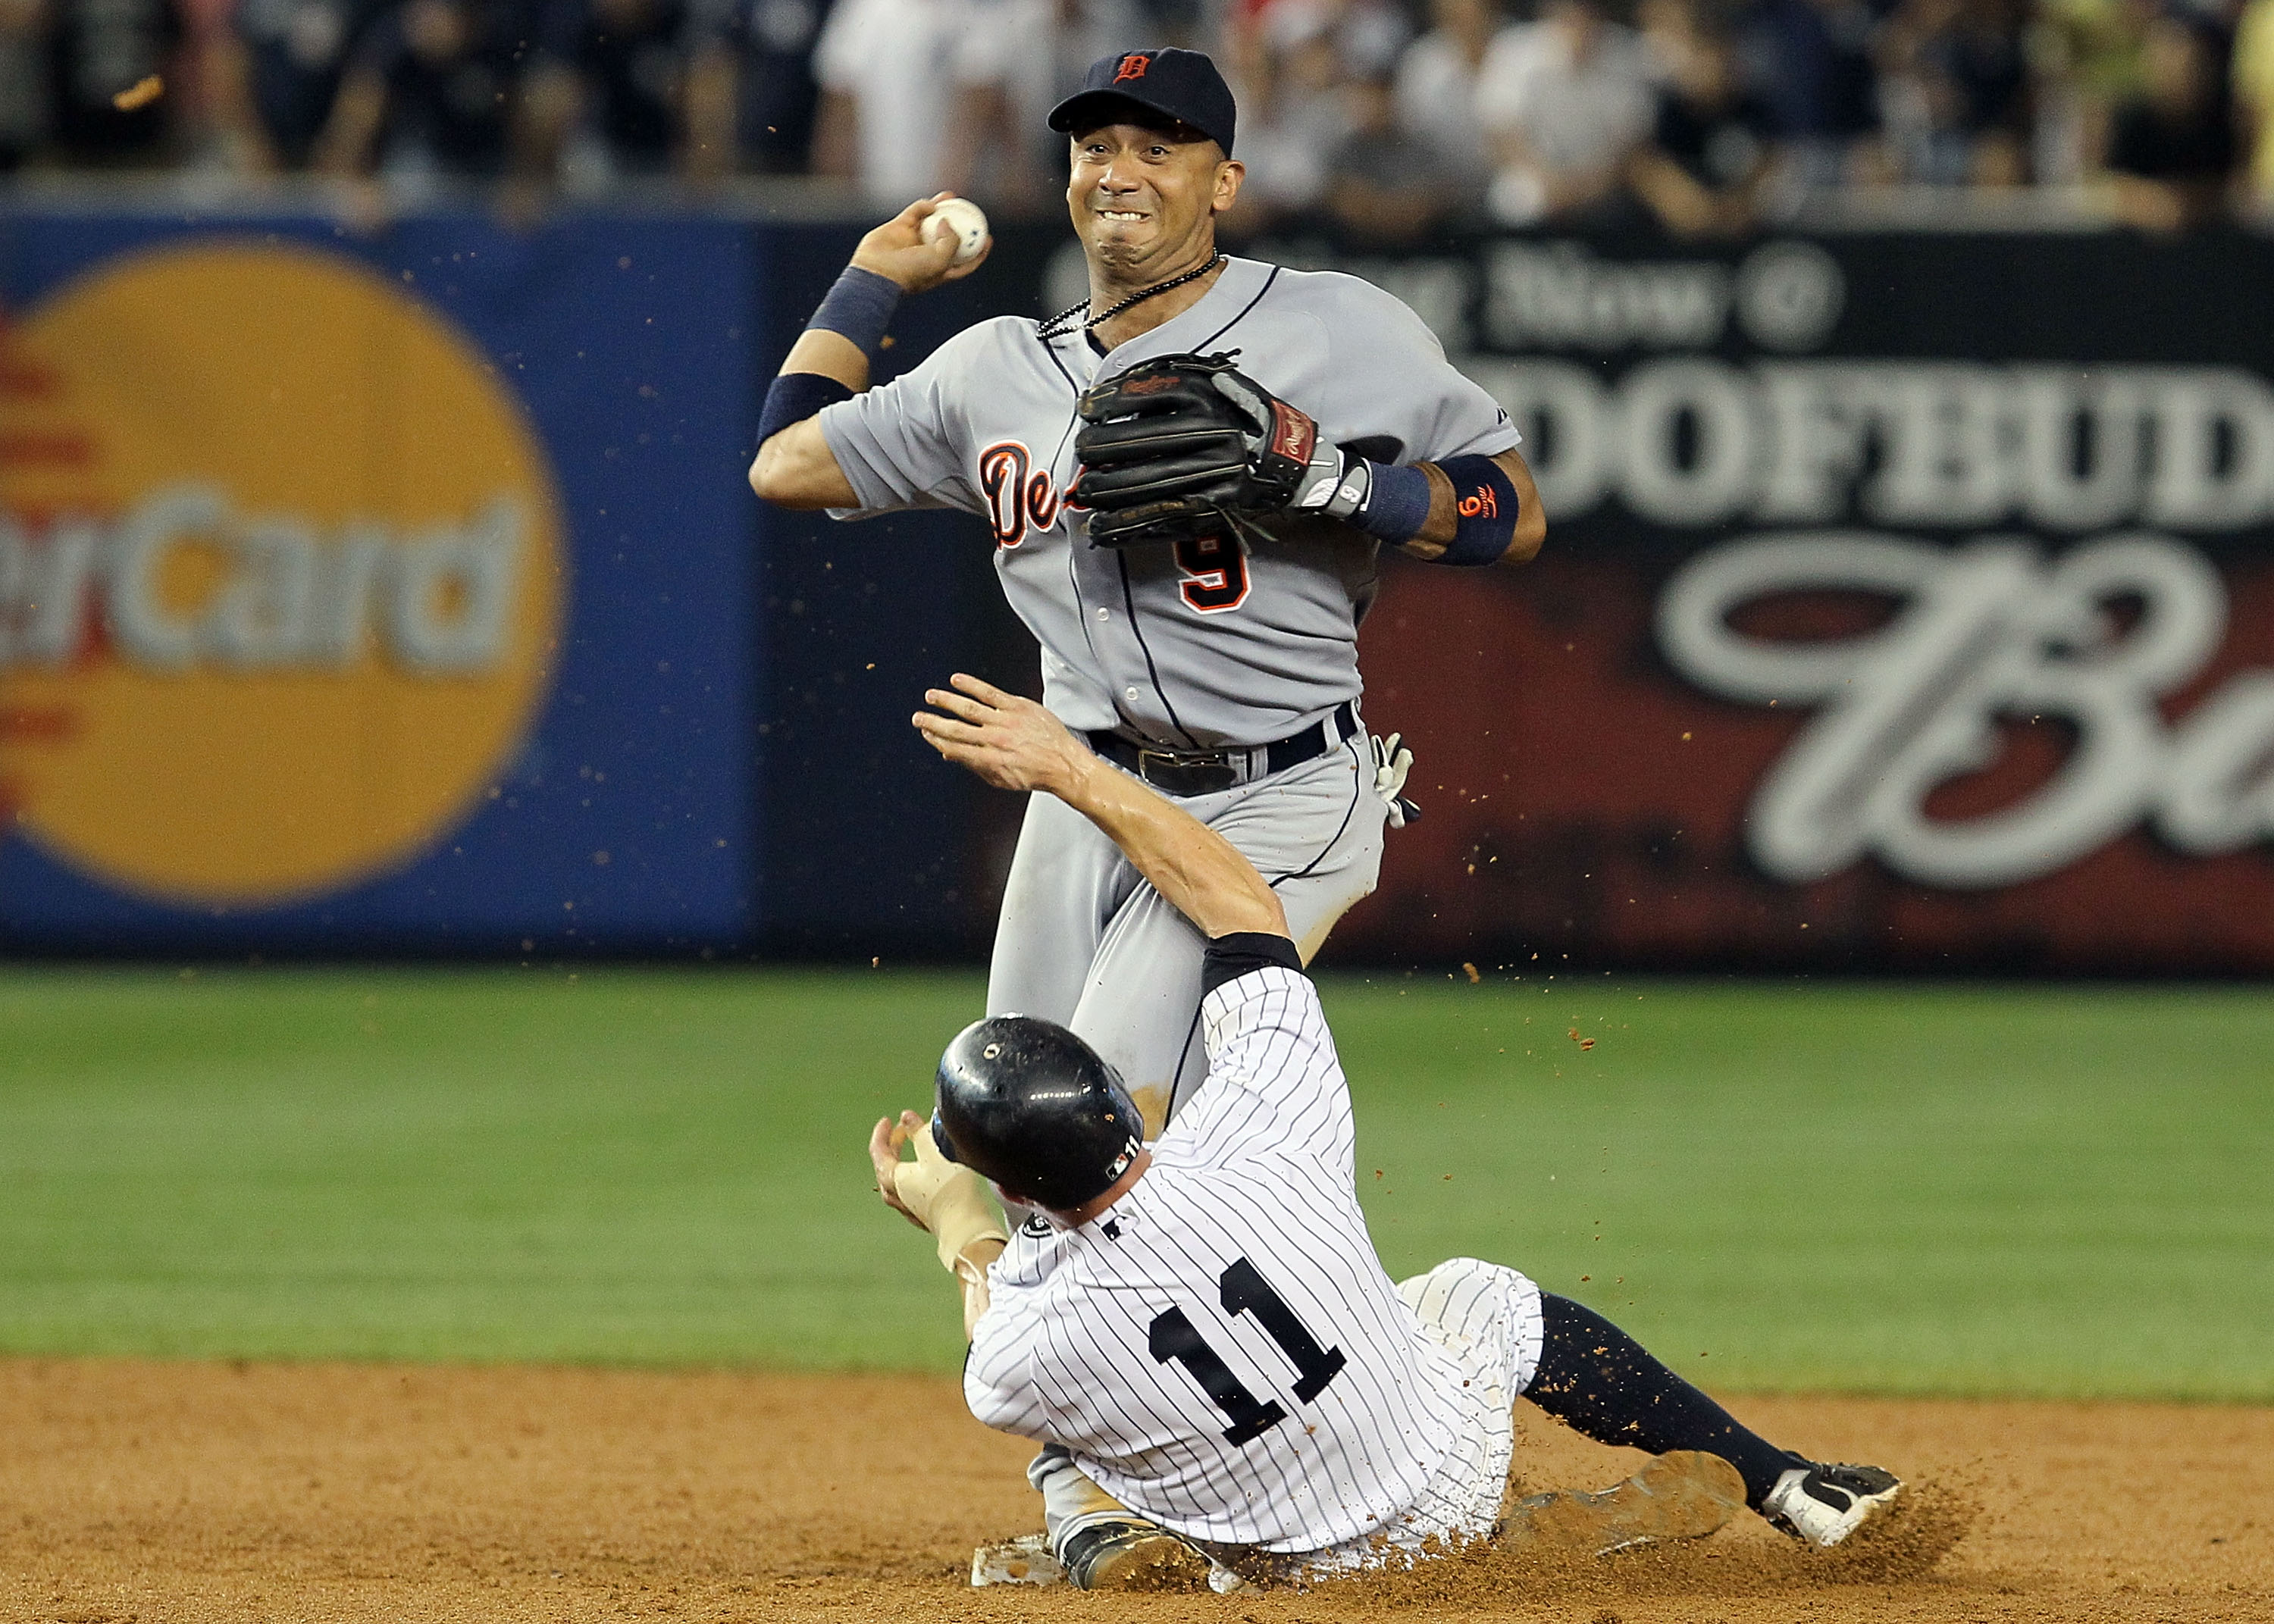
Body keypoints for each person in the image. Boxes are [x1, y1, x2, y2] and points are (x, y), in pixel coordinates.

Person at [866, 670, 1907, 1589]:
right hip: (1443, 1473)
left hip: (1298, 1576)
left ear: (1014, 1185)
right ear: (1112, 1093)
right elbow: (1238, 907)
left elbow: (991, 1316)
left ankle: (1105, 1543)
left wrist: (959, 1223)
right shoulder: (1259, 1137)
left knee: (1137, 1441)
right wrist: (1072, 769)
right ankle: (1790, 1488)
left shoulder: (1026, 1339)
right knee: (1476, 1299)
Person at [750, 45, 1545, 1140]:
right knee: (1007, 1140)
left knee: (1107, 1125)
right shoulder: (995, 371)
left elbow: (1514, 514)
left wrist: (1342, 482)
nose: (1119, 170)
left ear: (1224, 183)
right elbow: (783, 463)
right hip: (1080, 793)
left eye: (1157, 149)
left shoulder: (1336, 328)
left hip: (1279, 787)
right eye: (1095, 148)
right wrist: (874, 274)